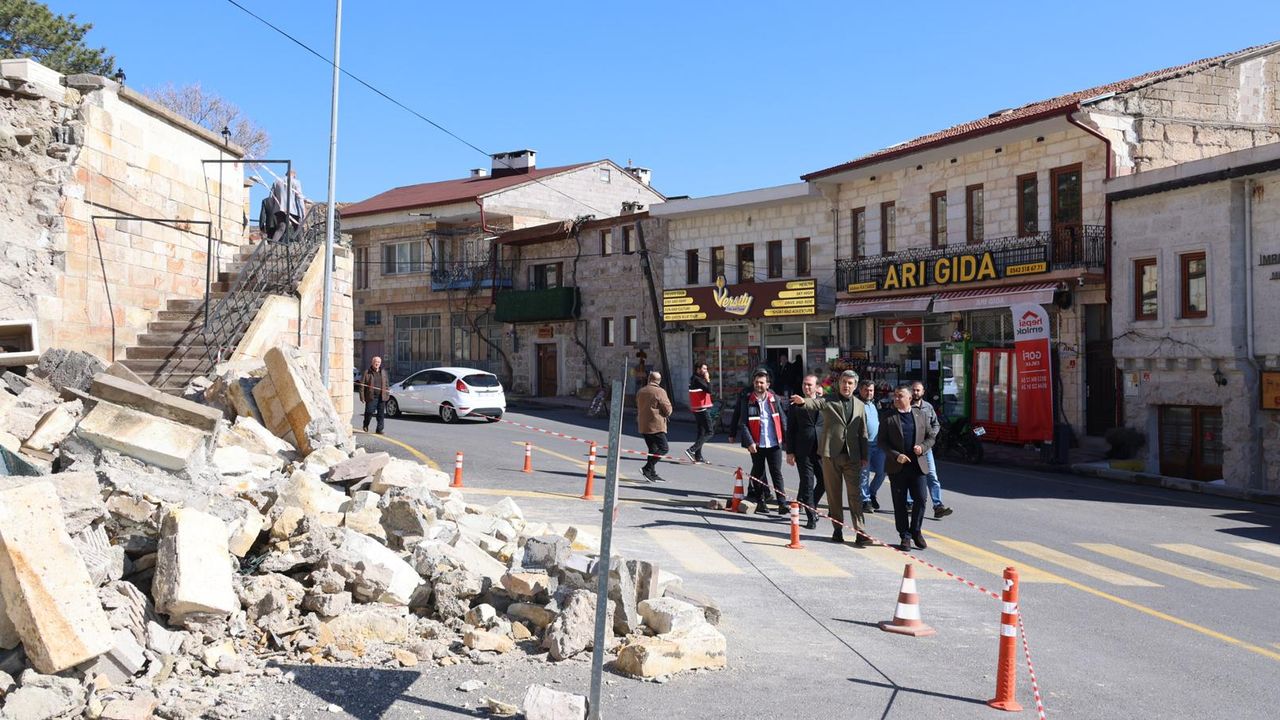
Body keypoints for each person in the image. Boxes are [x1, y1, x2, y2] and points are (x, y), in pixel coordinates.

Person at [790, 370, 871, 546]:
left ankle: (860, 531)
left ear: (855, 386)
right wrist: (803, 401)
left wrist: (865, 456)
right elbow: (815, 403)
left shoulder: (859, 405)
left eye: (850, 383)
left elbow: (863, 431)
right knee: (834, 495)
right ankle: (837, 529)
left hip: (852, 456)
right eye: (844, 382)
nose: (846, 385)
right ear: (839, 383)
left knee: (855, 495)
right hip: (831, 455)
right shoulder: (829, 400)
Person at [879, 385, 938, 551]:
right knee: (900, 502)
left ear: (910, 398)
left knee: (921, 498)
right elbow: (882, 442)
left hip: (917, 466)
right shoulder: (888, 416)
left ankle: (916, 531)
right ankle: (905, 536)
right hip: (897, 466)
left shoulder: (921, 415)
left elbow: (931, 437)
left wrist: (923, 447)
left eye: (900, 396)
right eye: (895, 396)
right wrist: (896, 455)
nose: (896, 399)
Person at [739, 369, 789, 516]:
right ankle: (761, 502)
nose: (758, 385)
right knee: (759, 474)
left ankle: (782, 503)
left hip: (774, 443)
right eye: (756, 382)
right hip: (757, 444)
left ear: (768, 384)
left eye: (761, 383)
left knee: (776, 473)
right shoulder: (748, 400)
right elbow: (743, 423)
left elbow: (783, 419)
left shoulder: (774, 399)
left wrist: (788, 441)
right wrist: (749, 442)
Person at [785, 374, 826, 529]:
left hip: (821, 450)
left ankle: (811, 505)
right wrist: (790, 452)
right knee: (808, 483)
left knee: (825, 481)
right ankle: (811, 517)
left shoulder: (823, 403)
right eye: (804, 384)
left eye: (810, 384)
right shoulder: (795, 405)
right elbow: (790, 430)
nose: (806, 387)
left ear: (817, 387)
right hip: (803, 451)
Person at [910, 381, 953, 519]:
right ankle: (909, 503)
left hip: (926, 448)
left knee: (932, 476)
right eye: (913, 390)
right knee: (911, 476)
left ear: (923, 392)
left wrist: (931, 437)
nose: (915, 392)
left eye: (918, 390)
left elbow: (936, 424)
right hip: (910, 448)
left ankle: (938, 506)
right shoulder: (906, 406)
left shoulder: (928, 407)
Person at [636, 371, 672, 482]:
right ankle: (647, 468)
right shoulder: (660, 391)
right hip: (656, 425)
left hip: (643, 425)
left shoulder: (641, 391)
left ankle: (651, 473)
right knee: (664, 448)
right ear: (659, 381)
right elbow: (667, 409)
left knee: (652, 449)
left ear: (649, 379)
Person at [858, 379, 887, 514]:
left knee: (882, 472)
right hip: (865, 445)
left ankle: (872, 493)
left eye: (871, 390)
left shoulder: (876, 403)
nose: (869, 393)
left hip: (879, 444)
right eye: (866, 390)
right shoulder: (857, 404)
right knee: (864, 474)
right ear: (860, 390)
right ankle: (865, 500)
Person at [685, 363, 714, 464]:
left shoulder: (694, 378)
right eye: (704, 369)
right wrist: (708, 379)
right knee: (710, 432)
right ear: (698, 369)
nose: (706, 371)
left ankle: (698, 456)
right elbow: (710, 390)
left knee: (701, 432)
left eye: (706, 368)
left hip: (697, 408)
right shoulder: (698, 380)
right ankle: (691, 450)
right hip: (702, 409)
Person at [269, 169, 306, 241]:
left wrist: (274, 208)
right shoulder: (296, 182)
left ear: (286, 174)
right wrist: (303, 211)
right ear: (294, 175)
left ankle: (273, 243)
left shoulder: (276, 181)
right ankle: (301, 243)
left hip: (279, 208)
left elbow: (271, 197)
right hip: (293, 209)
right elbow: (300, 197)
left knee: (281, 228)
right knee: (298, 226)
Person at [360, 356, 390, 434]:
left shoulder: (383, 372)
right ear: (372, 363)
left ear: (380, 363)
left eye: (378, 362)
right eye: (375, 362)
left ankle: (379, 429)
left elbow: (386, 384)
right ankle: (366, 424)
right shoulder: (367, 372)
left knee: (381, 414)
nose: (377, 364)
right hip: (371, 396)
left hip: (381, 397)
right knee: (369, 412)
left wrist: (387, 394)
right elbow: (362, 385)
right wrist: (362, 397)